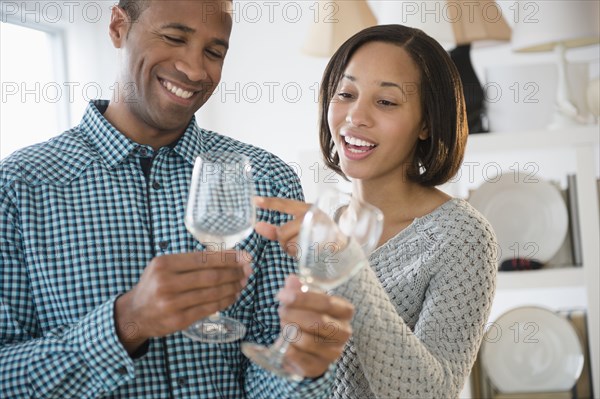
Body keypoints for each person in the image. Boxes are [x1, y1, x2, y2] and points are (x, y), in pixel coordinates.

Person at [0, 1, 354, 398]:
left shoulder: (269, 179)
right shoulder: (17, 186)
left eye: (214, 52)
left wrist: (302, 366)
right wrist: (126, 322)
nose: (194, 70)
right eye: (173, 38)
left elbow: (272, 365)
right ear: (118, 27)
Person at [253, 24, 498, 398]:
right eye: (346, 93)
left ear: (426, 123)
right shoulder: (322, 219)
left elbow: (431, 394)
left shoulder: (461, 236)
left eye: (385, 101)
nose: (356, 116)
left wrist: (346, 264)